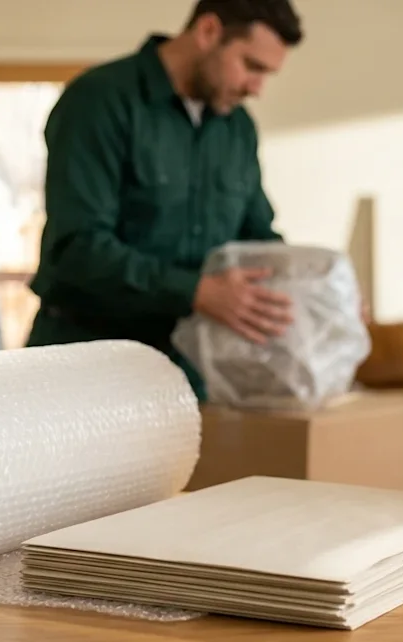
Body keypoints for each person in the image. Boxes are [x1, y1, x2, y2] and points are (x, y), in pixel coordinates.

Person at [25, 0, 304, 402]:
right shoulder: (99, 100)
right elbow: (77, 249)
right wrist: (196, 291)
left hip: (184, 370)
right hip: (82, 365)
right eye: (252, 66)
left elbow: (257, 237)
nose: (255, 88)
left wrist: (321, 290)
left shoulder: (237, 128)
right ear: (209, 31)